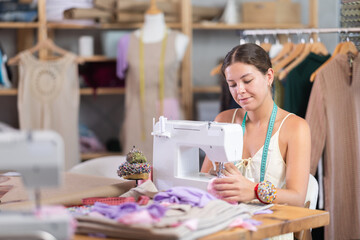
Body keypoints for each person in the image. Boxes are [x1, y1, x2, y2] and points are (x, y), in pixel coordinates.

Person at [201, 43, 310, 208]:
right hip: (226, 222)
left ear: (269, 77)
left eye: (247, 80)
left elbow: (297, 198)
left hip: (273, 226)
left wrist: (253, 190)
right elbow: (202, 182)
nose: (240, 90)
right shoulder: (223, 121)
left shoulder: (295, 128)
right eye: (232, 84)